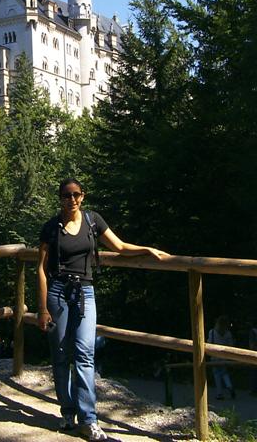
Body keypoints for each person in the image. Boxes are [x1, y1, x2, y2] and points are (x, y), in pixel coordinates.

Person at [37, 177, 169, 441]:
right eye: (66, 195)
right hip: (58, 292)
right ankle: (67, 413)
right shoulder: (51, 228)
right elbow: (41, 268)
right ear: (60, 198)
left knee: (85, 352)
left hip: (85, 291)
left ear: (83, 196)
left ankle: (88, 419)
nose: (71, 199)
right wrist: (42, 309)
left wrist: (147, 249)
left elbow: (119, 247)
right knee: (62, 354)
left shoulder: (93, 220)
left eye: (76, 194)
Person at [207, 316, 235, 400]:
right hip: (224, 356)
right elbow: (230, 345)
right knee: (224, 372)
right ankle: (229, 385)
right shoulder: (228, 333)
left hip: (214, 356)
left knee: (216, 374)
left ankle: (219, 393)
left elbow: (209, 343)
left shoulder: (212, 332)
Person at [249, 320, 257, 395]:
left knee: (254, 373)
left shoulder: (253, 331)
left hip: (254, 353)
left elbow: (251, 344)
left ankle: (253, 390)